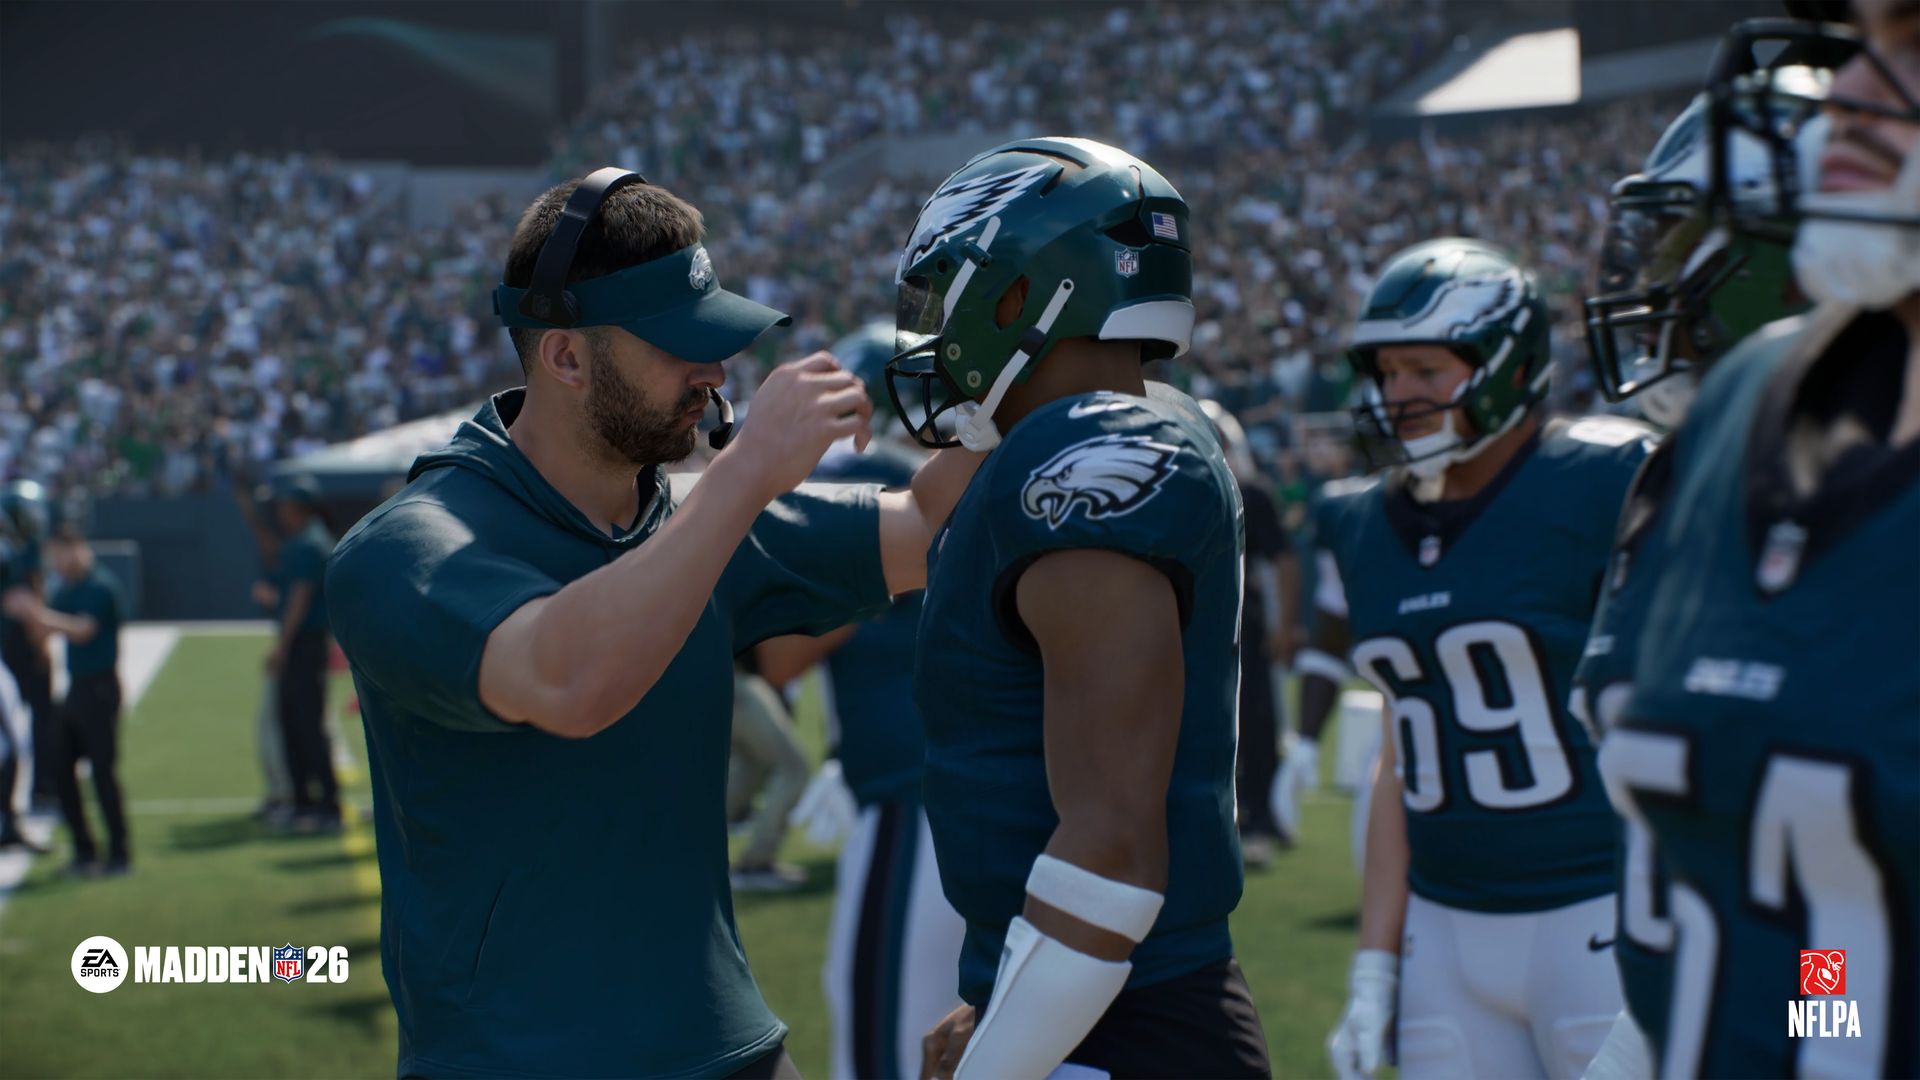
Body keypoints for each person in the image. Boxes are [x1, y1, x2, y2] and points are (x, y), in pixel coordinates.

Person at [324, 170, 979, 1079]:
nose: (715, 374)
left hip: (732, 1049)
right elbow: (568, 682)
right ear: (565, 357)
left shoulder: (697, 519)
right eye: (681, 345)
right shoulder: (402, 548)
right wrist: (744, 475)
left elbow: (931, 527)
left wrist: (1020, 372)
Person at [891, 137, 1269, 1079]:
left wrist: (1000, 1058)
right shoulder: (1121, 428)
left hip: (1124, 1016)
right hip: (1092, 991)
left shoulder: (1085, 451)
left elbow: (1111, 848)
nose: (932, 334)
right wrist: (1011, 990)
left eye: (945, 298)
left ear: (1021, 293)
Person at [1597, 6, 1920, 1076]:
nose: (1851, 92)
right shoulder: (1746, 406)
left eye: (1915, 39)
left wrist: (1825, 1029)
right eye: (1861, 40)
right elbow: (1823, 908)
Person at [1308, 239, 1648, 1080]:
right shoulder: (1361, 522)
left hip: (1598, 914)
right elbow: (1402, 752)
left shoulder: (1603, 480)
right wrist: (1374, 961)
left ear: (1510, 366)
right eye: (1388, 372)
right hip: (1444, 931)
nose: (1399, 394)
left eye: (1426, 370)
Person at [1571, 76, 1820, 1080]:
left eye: (1681, 249)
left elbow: (1848, 896)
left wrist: (1828, 1038)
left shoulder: (1873, 503)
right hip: (1674, 1007)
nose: (1651, 284)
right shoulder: (1674, 481)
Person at [755, 321, 967, 1080]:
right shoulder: (947, 476)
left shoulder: (864, 477)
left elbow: (782, 655)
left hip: (914, 802)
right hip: (973, 794)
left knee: (884, 1047)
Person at [1198, 399, 1299, 863]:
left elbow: (1284, 561)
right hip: (1192, 624)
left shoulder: (1250, 493)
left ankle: (1261, 814)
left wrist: (1286, 625)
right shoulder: (1182, 487)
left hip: (1242, 625)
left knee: (1256, 720)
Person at [6, 524, 129, 876]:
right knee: (60, 767)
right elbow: (45, 628)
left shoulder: (100, 586)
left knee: (102, 773)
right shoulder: (67, 588)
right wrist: (31, 611)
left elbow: (82, 630)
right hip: (75, 689)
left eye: (58, 556)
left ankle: (119, 855)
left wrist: (35, 612)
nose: (55, 564)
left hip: (100, 688)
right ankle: (84, 852)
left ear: (76, 548)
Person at [266, 475, 339, 833]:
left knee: (306, 725)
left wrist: (281, 646)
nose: (281, 513)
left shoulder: (309, 543)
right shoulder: (306, 540)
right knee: (293, 723)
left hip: (304, 645)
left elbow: (300, 597)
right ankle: (304, 803)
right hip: (304, 643)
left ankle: (325, 805)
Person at [725, 661, 810, 891]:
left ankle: (686, 846)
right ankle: (756, 863)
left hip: (719, 682)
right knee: (794, 770)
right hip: (740, 681)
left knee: (750, 768)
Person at [0, 482, 55, 815]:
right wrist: (42, 642)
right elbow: (24, 602)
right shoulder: (19, 552)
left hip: (10, 645)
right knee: (34, 721)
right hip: (17, 645)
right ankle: (40, 790)